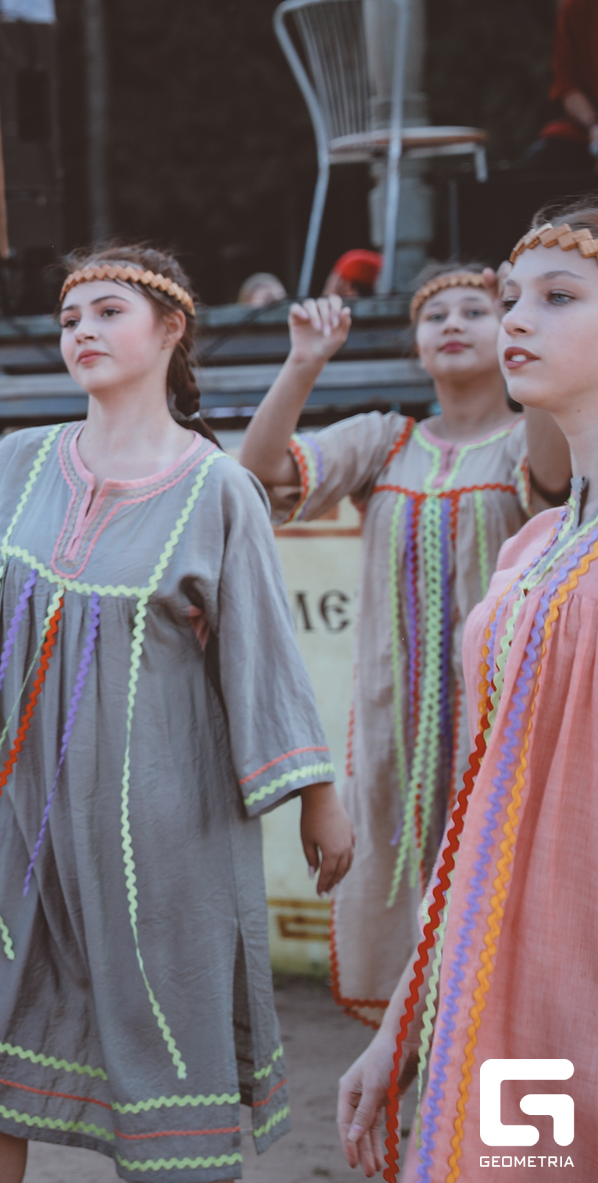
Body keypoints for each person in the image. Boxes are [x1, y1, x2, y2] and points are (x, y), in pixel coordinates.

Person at [0, 243, 355, 1183]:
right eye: (69, 318)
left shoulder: (217, 489)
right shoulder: (20, 464)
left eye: (107, 312)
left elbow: (263, 656)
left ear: (170, 328)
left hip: (162, 839)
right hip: (22, 831)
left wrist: (317, 797)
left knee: (166, 1095)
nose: (82, 331)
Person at [336, 205, 598, 1182]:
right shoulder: (537, 546)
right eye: (512, 297)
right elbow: (487, 811)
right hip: (508, 988)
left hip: (579, 987)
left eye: (558, 297)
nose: (517, 318)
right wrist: (404, 1022)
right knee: (520, 1166)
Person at [238, 265, 571, 1030]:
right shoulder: (387, 441)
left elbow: (553, 481)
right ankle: (419, 1089)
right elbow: (259, 474)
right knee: (409, 945)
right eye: (434, 314)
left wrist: (536, 326)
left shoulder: (530, 437)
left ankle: (492, 1095)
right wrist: (305, 362)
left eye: (478, 310)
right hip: (392, 741)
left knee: (498, 942)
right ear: (416, 345)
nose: (452, 323)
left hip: (503, 733)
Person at [520, 0, 598, 173]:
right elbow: (567, 84)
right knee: (543, 160)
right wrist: (593, 125)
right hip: (587, 133)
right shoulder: (577, 6)